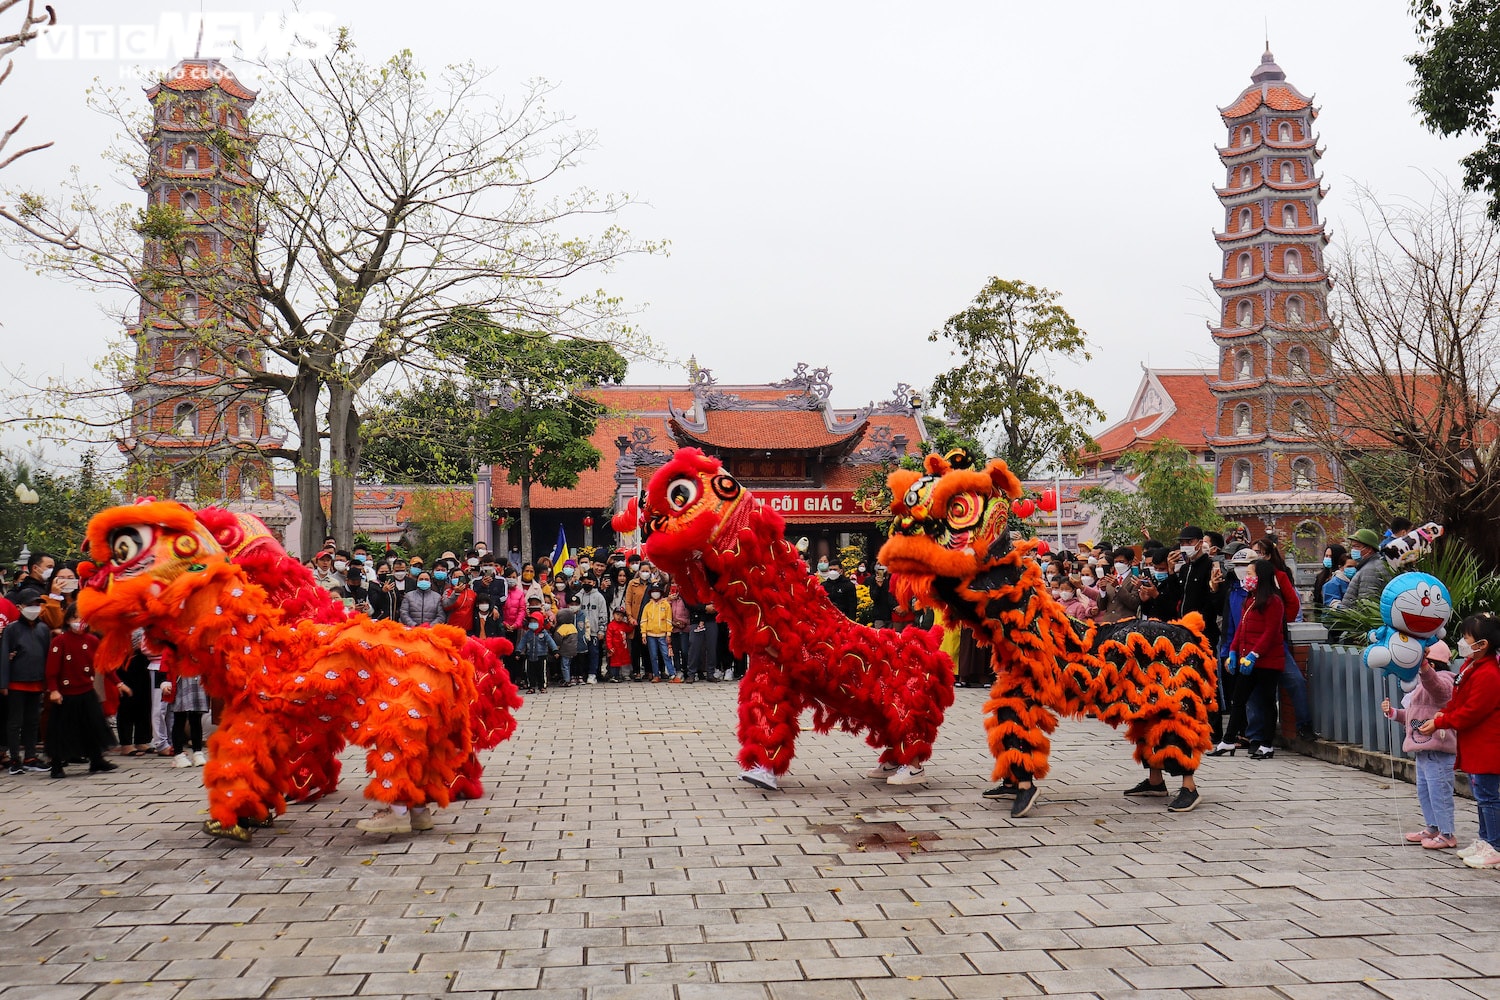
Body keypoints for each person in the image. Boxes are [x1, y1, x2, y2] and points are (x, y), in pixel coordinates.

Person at [1423, 614, 1500, 868]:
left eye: (1467, 638)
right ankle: (1485, 840)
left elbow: (1472, 711)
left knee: (1488, 796)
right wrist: (1444, 714)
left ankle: (1495, 845)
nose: (1462, 641)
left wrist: (1442, 721)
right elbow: (1460, 699)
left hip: (1487, 744)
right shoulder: (1471, 665)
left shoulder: (1488, 673)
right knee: (1481, 794)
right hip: (1475, 743)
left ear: (1483, 644)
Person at [1383, 641, 1458, 849]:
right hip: (1423, 751)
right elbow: (1413, 715)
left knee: (1439, 792)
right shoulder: (1420, 687)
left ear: (1432, 664)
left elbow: (1438, 688)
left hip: (1438, 750)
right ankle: (1433, 827)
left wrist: (1423, 664)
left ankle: (1447, 833)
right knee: (1425, 791)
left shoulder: (1443, 680)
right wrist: (1394, 713)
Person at [1216, 559, 1287, 761]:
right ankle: (1228, 740)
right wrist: (1233, 651)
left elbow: (1271, 632)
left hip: (1267, 661)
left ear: (1261, 577)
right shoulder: (1250, 599)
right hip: (1247, 659)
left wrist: (1254, 654)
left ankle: (1266, 745)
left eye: (1250, 574)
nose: (1247, 578)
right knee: (1238, 700)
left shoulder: (1273, 601)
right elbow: (1242, 628)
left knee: (1266, 702)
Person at [43, 606, 117, 779]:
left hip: (87, 691)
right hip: (66, 694)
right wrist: (54, 690)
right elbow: (51, 670)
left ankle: (97, 759)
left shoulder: (92, 640)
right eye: (75, 618)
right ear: (68, 620)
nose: (79, 622)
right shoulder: (60, 641)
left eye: (82, 618)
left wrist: (118, 683)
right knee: (62, 730)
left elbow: (103, 664)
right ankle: (56, 765)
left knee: (93, 726)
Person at [1212, 547, 1259, 744]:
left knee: (1257, 697)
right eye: (1237, 566)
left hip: (1257, 649)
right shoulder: (1232, 589)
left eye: (1245, 566)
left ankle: (1256, 736)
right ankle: (1239, 733)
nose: (1241, 570)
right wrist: (1226, 651)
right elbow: (1229, 624)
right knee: (1236, 696)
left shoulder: (1264, 592)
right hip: (1235, 648)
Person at [1, 591, 51, 774]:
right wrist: (3, 683)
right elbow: (5, 657)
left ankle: (30, 757)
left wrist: (48, 682)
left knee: (32, 721)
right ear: (20, 607)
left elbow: (47, 656)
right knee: (15, 723)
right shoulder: (11, 629)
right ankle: (15, 759)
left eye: (37, 604)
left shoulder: (43, 629)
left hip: (37, 681)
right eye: (30, 604)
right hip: (16, 683)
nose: (34, 608)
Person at [163, 659, 210, 769]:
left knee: (196, 717)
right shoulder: (173, 645)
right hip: (180, 677)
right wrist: (164, 681)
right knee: (179, 717)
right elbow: (166, 659)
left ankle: (197, 752)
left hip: (198, 676)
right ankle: (178, 754)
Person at [640, 585, 678, 682]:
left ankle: (672, 674)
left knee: (666, 654)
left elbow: (668, 620)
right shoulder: (647, 606)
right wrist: (643, 634)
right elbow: (644, 621)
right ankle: (656, 675)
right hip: (650, 635)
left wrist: (668, 633)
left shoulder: (666, 605)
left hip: (662, 635)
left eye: (657, 591)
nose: (655, 593)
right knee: (653, 656)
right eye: (653, 591)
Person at [1343, 528, 1390, 606]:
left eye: (1357, 546)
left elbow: (1367, 604)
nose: (1353, 550)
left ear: (1369, 549)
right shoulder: (1373, 565)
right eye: (1352, 547)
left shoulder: (1371, 570)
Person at [576, 575, 608, 684]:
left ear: (594, 583)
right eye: (584, 582)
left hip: (594, 631)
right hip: (581, 632)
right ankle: (581, 674)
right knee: (581, 654)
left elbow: (603, 614)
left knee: (594, 653)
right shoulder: (578, 596)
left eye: (589, 582)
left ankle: (592, 674)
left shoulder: (599, 597)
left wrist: (601, 630)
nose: (587, 584)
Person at [516, 611, 557, 694]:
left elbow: (551, 642)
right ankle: (531, 686)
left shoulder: (544, 633)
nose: (532, 624)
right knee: (529, 672)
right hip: (530, 655)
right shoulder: (528, 633)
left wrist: (555, 650)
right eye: (531, 622)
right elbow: (522, 642)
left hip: (541, 656)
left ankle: (542, 686)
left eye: (535, 622)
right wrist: (518, 651)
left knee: (542, 672)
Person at [1097, 549, 1142, 624]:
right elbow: (1101, 607)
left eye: (1121, 562)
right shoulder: (1110, 578)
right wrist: (1102, 591)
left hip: (1126, 623)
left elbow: (1134, 603)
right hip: (1108, 623)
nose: (1118, 564)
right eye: (1116, 562)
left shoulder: (1136, 579)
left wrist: (1117, 587)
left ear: (1130, 562)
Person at [1312, 544, 1348, 613]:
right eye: (1326, 556)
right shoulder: (1320, 577)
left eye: (1330, 556)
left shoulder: (1342, 578)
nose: (1328, 559)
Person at [554, 601, 580, 686]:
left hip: (565, 650)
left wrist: (556, 647)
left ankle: (567, 680)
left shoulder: (562, 628)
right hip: (573, 650)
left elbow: (558, 638)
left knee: (564, 665)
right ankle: (568, 678)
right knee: (568, 664)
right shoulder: (573, 627)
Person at [605, 607, 632, 683]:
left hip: (622, 648)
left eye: (621, 615)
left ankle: (620, 675)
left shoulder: (624, 625)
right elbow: (608, 637)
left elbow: (629, 629)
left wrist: (632, 624)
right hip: (614, 648)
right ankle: (613, 675)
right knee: (614, 663)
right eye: (617, 614)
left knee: (622, 661)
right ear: (613, 615)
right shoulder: (611, 625)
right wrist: (610, 647)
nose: (619, 617)